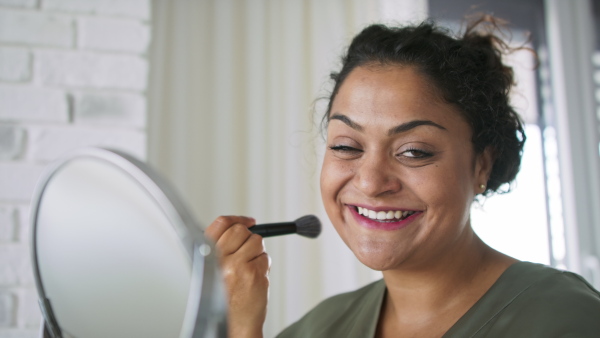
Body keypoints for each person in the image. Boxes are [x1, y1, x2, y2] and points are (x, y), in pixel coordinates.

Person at [205, 15, 600, 338]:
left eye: (414, 151)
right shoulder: (316, 329)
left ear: (482, 165)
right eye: (347, 146)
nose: (372, 182)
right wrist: (240, 326)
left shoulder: (565, 319)